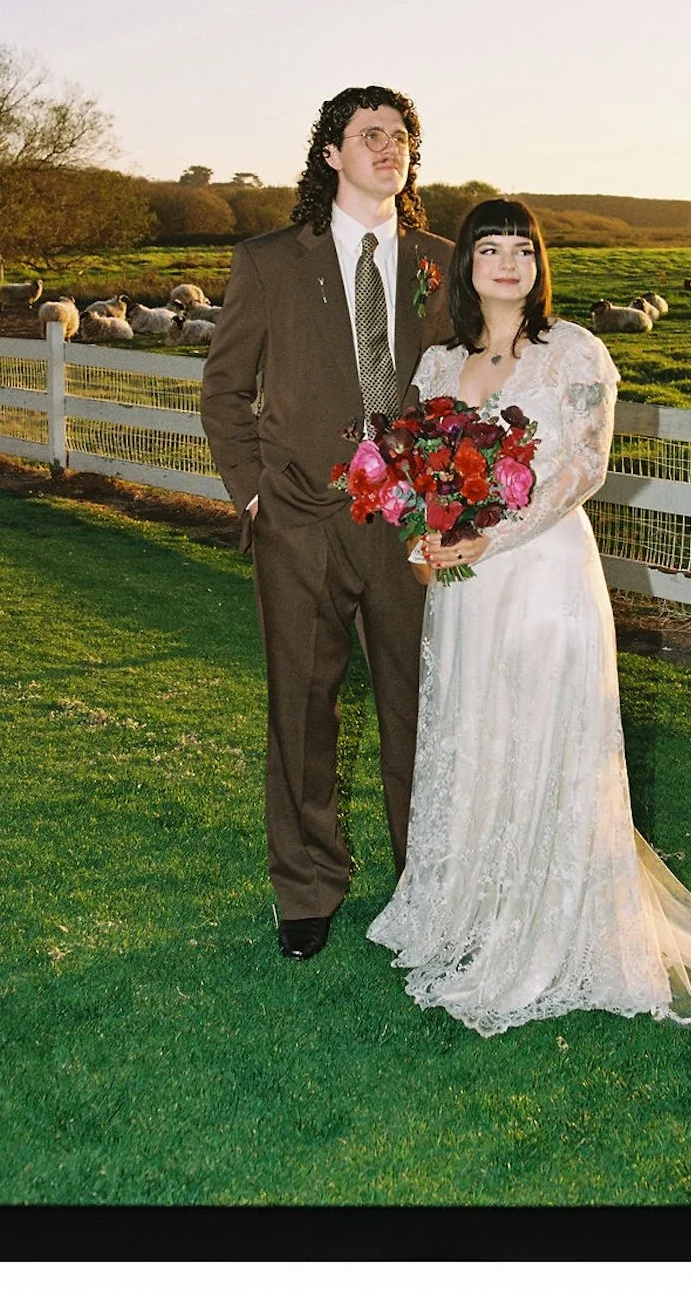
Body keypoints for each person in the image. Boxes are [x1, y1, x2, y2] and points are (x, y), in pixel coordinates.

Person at [367, 198, 691, 1035]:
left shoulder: (574, 351)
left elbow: (584, 468)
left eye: (523, 250)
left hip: (544, 570)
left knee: (544, 727)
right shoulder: (439, 363)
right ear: (466, 266)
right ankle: (472, 905)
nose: (508, 264)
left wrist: (492, 537)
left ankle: (553, 924)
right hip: (466, 587)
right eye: (490, 249)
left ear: (539, 265)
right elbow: (415, 469)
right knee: (476, 725)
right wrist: (424, 537)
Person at [201, 87, 454, 962]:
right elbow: (224, 390)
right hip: (301, 523)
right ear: (331, 154)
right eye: (369, 134)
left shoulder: (440, 263)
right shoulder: (269, 261)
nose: (389, 147)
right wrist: (254, 496)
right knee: (302, 714)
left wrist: (451, 499)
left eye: (401, 135)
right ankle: (307, 888)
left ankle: (429, 882)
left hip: (410, 529)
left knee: (419, 709)